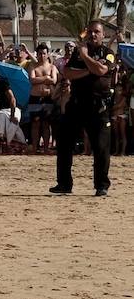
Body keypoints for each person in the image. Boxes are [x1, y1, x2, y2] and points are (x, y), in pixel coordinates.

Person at [50, 20, 115, 196]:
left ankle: (101, 185)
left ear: (103, 35)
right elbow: (68, 72)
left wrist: (86, 58)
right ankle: (64, 184)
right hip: (77, 104)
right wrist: (88, 69)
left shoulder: (108, 53)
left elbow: (102, 70)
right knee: (63, 143)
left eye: (97, 32)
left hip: (98, 108)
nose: (93, 35)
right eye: (91, 32)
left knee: (101, 148)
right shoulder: (77, 54)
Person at [26, 43, 59, 153]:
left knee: (46, 124)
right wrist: (45, 78)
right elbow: (32, 80)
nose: (42, 56)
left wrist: (39, 79)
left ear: (47, 54)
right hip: (35, 97)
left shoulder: (52, 67)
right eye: (40, 53)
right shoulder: (32, 66)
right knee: (35, 123)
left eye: (44, 53)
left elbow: (53, 80)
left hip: (47, 98)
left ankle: (45, 148)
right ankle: (35, 148)